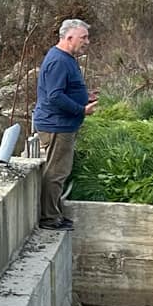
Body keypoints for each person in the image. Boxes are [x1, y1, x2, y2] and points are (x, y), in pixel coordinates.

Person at [32, 18, 97, 231]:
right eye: (83, 37)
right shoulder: (59, 61)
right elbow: (55, 96)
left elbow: (64, 90)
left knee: (60, 171)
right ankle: (49, 218)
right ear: (69, 37)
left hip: (63, 125)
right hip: (57, 125)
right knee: (56, 173)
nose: (87, 41)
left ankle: (55, 214)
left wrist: (84, 96)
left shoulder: (67, 58)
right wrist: (81, 110)